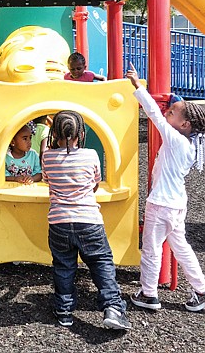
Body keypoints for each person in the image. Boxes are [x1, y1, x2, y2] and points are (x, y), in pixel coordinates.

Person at [126, 63, 205, 312]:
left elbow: (154, 115)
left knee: (151, 250)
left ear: (184, 125)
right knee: (181, 248)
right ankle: (201, 290)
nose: (167, 113)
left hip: (160, 204)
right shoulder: (190, 144)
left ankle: (149, 294)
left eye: (172, 112)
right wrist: (172, 102)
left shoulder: (175, 140)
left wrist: (138, 87)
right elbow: (168, 113)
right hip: (176, 204)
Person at [42, 110, 131, 330]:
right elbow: (95, 183)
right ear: (81, 132)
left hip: (59, 222)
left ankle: (64, 311)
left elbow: (47, 180)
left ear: (55, 132)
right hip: (89, 219)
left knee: (64, 266)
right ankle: (112, 308)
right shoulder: (91, 154)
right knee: (101, 262)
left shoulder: (48, 157)